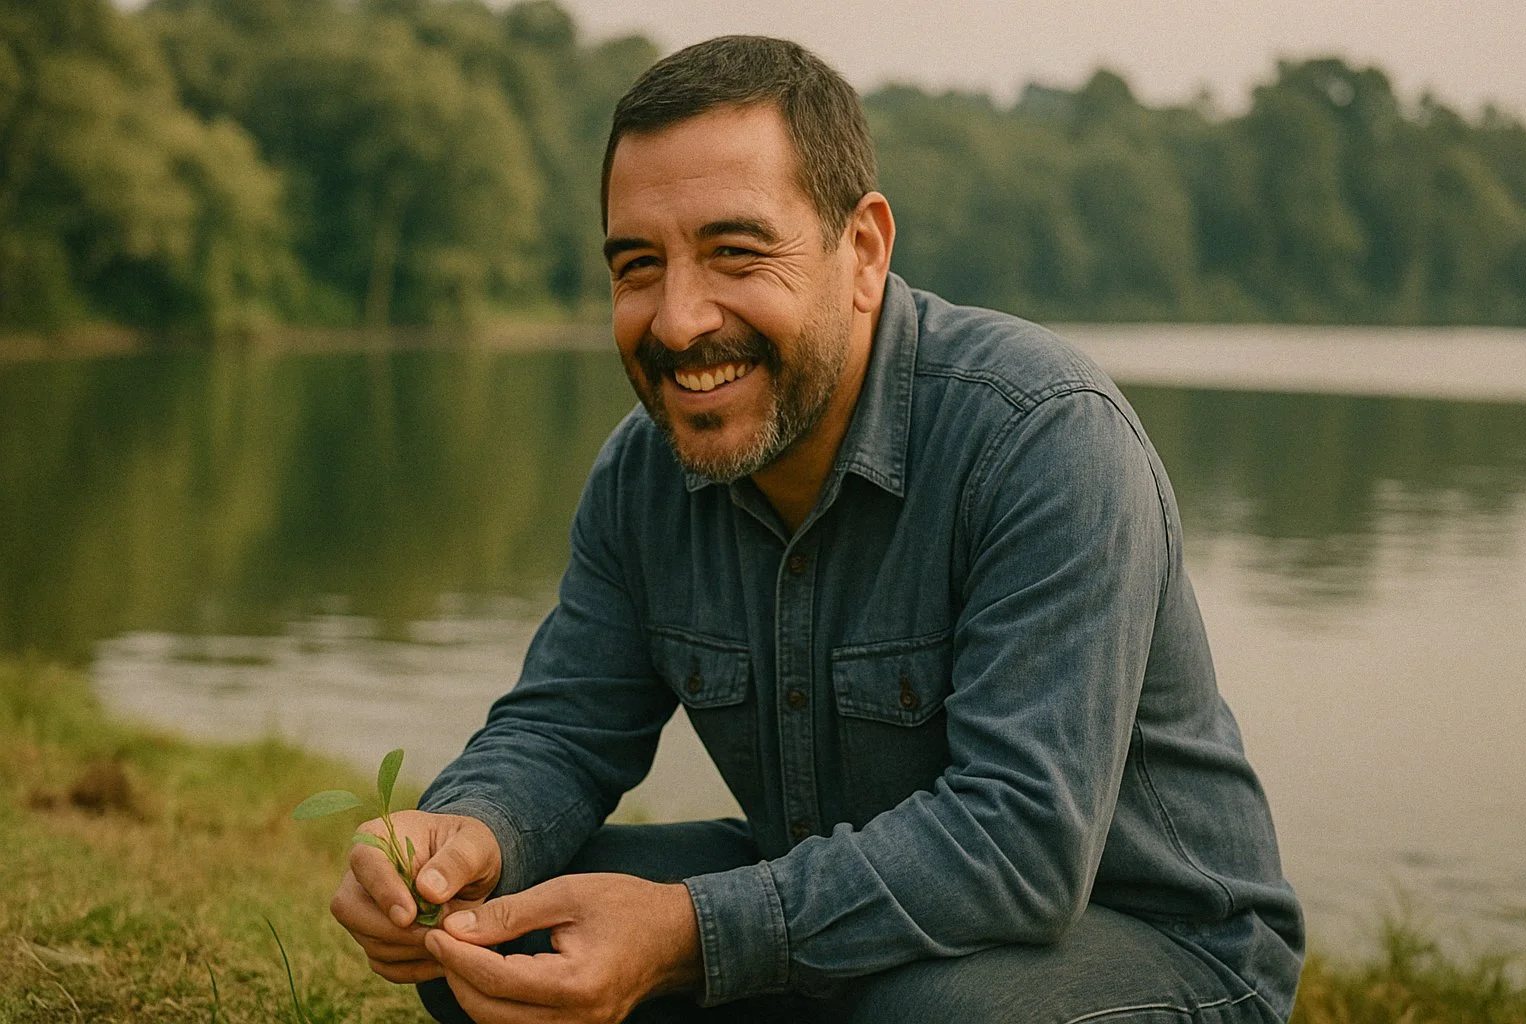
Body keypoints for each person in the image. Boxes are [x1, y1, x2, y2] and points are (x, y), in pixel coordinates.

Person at [329, 35, 1304, 1024]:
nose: (675, 321)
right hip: (843, 915)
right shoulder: (642, 470)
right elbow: (561, 726)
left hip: (1156, 944)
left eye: (735, 254)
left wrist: (689, 932)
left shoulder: (1043, 435)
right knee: (491, 932)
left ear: (865, 252)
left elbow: (1021, 847)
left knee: (931, 1013)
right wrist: (459, 837)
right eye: (637, 265)